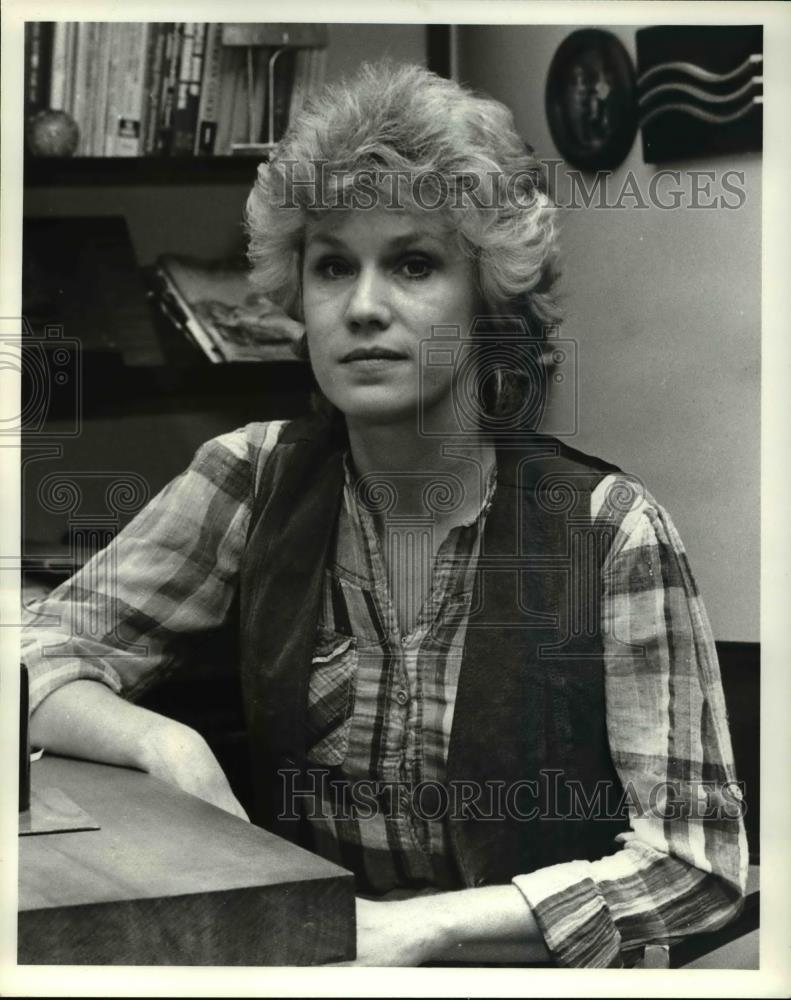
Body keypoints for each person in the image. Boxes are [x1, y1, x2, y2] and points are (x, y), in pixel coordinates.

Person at [22, 61, 748, 968]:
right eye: (332, 266)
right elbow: (30, 656)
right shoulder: (251, 476)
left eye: (412, 263)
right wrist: (162, 744)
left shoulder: (610, 531)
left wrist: (422, 926)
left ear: (487, 296)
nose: (363, 307)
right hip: (310, 966)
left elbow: (696, 866)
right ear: (296, 295)